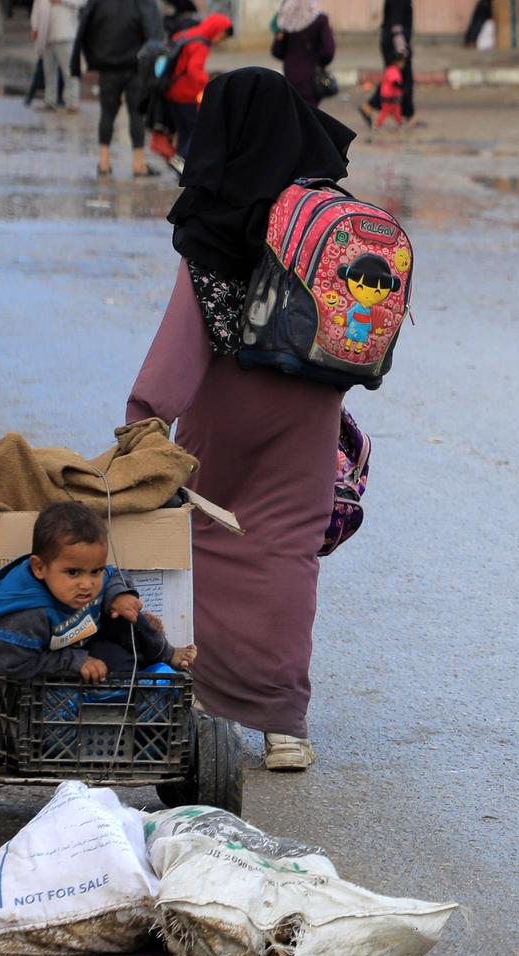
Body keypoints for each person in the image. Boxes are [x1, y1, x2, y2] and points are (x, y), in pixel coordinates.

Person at [126, 67, 358, 772]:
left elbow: (183, 334)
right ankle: (285, 725)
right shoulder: (322, 214)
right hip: (311, 408)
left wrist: (145, 417)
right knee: (288, 554)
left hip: (226, 402)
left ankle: (200, 696)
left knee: (209, 542)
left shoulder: (214, 214)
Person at [0, 501, 197, 682]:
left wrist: (119, 594)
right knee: (114, 673)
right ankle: (136, 684)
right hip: (47, 666)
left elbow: (115, 574)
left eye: (95, 571)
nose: (87, 584)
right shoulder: (24, 617)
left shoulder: (90, 581)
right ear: (40, 568)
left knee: (127, 612)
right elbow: (13, 666)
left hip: (86, 640)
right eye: (73, 573)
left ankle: (164, 655)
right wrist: (75, 661)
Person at [71, 0, 165, 178]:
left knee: (107, 113)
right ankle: (139, 164)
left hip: (108, 66)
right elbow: (153, 32)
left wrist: (92, 56)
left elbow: (85, 27)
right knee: (137, 114)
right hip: (135, 67)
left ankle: (104, 163)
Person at [165, 12, 233, 160]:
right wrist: (209, 85)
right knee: (193, 134)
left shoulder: (187, 34)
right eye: (222, 36)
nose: (219, 41)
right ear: (216, 29)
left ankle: (182, 167)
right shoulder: (200, 43)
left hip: (171, 90)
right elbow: (194, 69)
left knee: (183, 132)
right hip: (185, 94)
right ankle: (187, 168)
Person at [271, 0, 337, 108]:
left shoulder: (286, 20)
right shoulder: (320, 19)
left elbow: (276, 51)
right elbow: (328, 51)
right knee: (310, 118)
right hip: (311, 78)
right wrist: (319, 62)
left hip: (290, 76)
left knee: (293, 115)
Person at [361, 0, 416, 128]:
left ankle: (407, 115)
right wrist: (402, 50)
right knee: (402, 80)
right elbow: (396, 26)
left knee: (397, 79)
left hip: (393, 43)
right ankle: (408, 116)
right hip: (396, 45)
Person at [30, 0, 83, 113]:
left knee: (69, 71)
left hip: (65, 34)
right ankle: (50, 100)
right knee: (49, 71)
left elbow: (82, 2)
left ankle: (73, 101)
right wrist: (35, 27)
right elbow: (37, 7)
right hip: (46, 35)